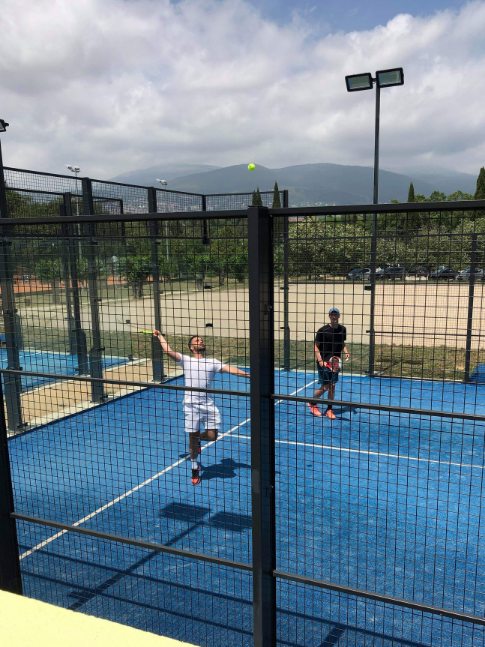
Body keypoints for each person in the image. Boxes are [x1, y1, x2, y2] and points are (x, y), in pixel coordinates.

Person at [153, 330, 250, 485]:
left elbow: (230, 369)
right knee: (192, 436)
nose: (200, 341)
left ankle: (197, 440)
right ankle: (194, 467)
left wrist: (248, 374)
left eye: (201, 340)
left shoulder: (212, 362)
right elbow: (168, 351)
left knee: (212, 436)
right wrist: (159, 336)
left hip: (208, 406)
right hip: (190, 406)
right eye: (197, 340)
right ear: (191, 347)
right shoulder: (186, 360)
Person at [308, 307, 350, 419]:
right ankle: (312, 403)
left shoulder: (342, 329)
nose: (334, 316)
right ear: (329, 316)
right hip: (324, 362)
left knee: (333, 386)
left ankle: (329, 409)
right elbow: (316, 346)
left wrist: (346, 352)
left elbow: (342, 343)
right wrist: (320, 360)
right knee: (326, 386)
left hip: (335, 363)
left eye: (336, 314)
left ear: (339, 316)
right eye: (332, 314)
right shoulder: (322, 330)